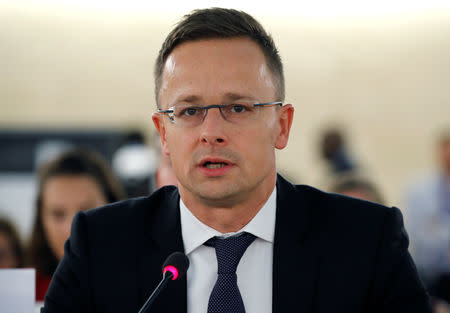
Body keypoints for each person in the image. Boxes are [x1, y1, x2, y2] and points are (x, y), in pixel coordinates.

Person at [42, 8, 431, 313]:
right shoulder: (101, 246)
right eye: (190, 112)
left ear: (281, 125)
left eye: (238, 108)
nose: (211, 131)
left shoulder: (366, 242)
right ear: (163, 134)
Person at [28, 148, 125, 301]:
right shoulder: (22, 292)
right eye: (58, 214)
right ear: (41, 220)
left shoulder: (151, 282)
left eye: (87, 212)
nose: (72, 228)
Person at [406, 129, 450, 305]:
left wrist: (436, 229)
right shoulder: (419, 190)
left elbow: (431, 229)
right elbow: (418, 234)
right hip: (431, 273)